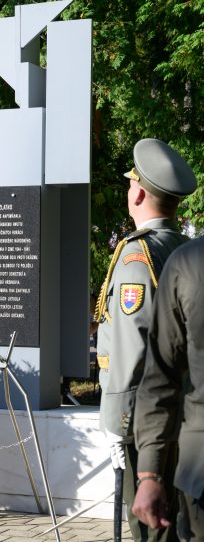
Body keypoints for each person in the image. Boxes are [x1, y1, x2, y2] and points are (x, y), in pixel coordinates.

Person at [94, 138, 197, 542]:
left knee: (150, 527)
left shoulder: (138, 256)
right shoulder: (183, 248)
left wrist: (118, 423)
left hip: (142, 418)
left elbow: (132, 343)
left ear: (137, 191)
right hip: (181, 412)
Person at [132, 236, 204, 540]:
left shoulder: (188, 262)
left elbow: (161, 376)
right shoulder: (186, 263)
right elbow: (163, 375)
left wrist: (149, 472)